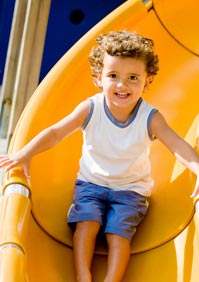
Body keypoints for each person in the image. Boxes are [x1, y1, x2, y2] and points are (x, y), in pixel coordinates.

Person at [0, 30, 199, 282]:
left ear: (147, 82)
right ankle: (83, 275)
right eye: (113, 76)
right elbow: (56, 132)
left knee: (118, 234)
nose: (122, 85)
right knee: (86, 225)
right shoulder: (90, 108)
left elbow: (177, 145)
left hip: (131, 190)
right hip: (91, 184)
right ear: (99, 78)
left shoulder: (150, 118)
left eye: (133, 78)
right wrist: (26, 153)